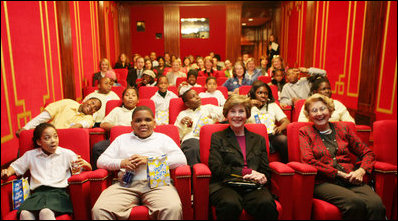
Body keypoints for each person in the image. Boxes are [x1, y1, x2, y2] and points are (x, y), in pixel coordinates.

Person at [299, 94, 385, 220]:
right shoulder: (305, 132)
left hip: (351, 178)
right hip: (323, 181)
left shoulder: (343, 128)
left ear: (330, 110)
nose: (319, 114)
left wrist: (361, 171)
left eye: (322, 109)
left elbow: (367, 153)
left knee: (376, 205)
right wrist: (338, 173)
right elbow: (308, 161)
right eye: (314, 110)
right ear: (309, 115)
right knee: (354, 203)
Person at [92, 106, 187, 220]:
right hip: (126, 185)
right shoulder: (121, 139)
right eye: (138, 121)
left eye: (147, 120)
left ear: (154, 123)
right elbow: (101, 161)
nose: (143, 123)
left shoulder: (163, 139)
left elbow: (181, 159)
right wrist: (122, 163)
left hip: (158, 184)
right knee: (100, 210)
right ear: (132, 124)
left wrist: (150, 161)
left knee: (172, 208)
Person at [208, 95, 278, 220]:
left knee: (266, 203)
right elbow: (216, 168)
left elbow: (265, 169)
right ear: (226, 115)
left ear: (247, 114)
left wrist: (262, 177)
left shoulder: (259, 139)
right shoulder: (217, 137)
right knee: (230, 204)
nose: (237, 115)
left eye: (241, 111)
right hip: (225, 185)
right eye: (233, 111)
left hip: (252, 186)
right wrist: (247, 171)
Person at [2, 123, 92, 220]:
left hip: (59, 194)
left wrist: (87, 166)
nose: (53, 141)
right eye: (47, 138)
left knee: (45, 212)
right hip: (37, 194)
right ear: (39, 142)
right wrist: (7, 172)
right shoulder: (31, 155)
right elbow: (15, 167)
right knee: (24, 214)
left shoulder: (66, 153)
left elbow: (83, 169)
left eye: (55, 136)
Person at [91, 87, 139, 170]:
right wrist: (118, 128)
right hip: (115, 141)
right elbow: (103, 124)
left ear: (138, 100)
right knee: (97, 147)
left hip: (136, 140)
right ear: (123, 100)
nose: (130, 97)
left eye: (133, 95)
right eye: (127, 95)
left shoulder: (140, 111)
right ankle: (99, 174)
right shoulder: (117, 110)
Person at [175, 89, 224, 166]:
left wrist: (213, 116)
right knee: (194, 148)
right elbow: (178, 135)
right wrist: (182, 124)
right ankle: (195, 174)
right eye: (193, 97)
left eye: (197, 95)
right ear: (187, 103)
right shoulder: (182, 114)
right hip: (191, 139)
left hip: (210, 139)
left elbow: (225, 113)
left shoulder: (208, 108)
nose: (198, 97)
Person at [247, 80, 290, 163]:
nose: (263, 95)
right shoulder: (247, 105)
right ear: (254, 94)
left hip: (271, 135)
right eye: (259, 93)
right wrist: (248, 104)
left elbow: (286, 121)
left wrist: (280, 128)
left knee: (283, 139)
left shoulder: (272, 105)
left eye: (265, 93)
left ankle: (285, 165)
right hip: (252, 135)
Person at [15, 98, 101, 137]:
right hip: (46, 136)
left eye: (95, 108)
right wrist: (26, 128)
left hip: (64, 140)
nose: (92, 107)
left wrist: (60, 136)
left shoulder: (90, 118)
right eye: (92, 103)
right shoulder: (67, 103)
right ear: (85, 100)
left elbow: (81, 125)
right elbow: (44, 117)